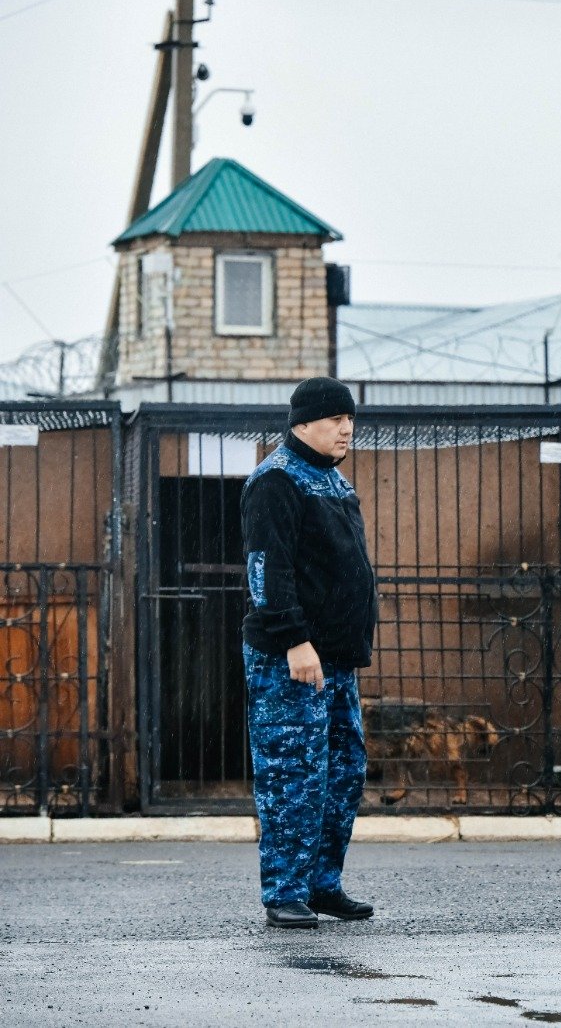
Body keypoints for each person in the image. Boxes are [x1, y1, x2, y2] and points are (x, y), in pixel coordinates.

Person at [240, 377, 377, 929]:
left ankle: (323, 884)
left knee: (343, 770)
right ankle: (284, 893)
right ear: (301, 424)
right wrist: (296, 639)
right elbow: (266, 571)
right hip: (291, 658)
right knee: (292, 773)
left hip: (337, 659)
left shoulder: (332, 480)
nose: (346, 428)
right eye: (333, 418)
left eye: (350, 418)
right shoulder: (276, 481)